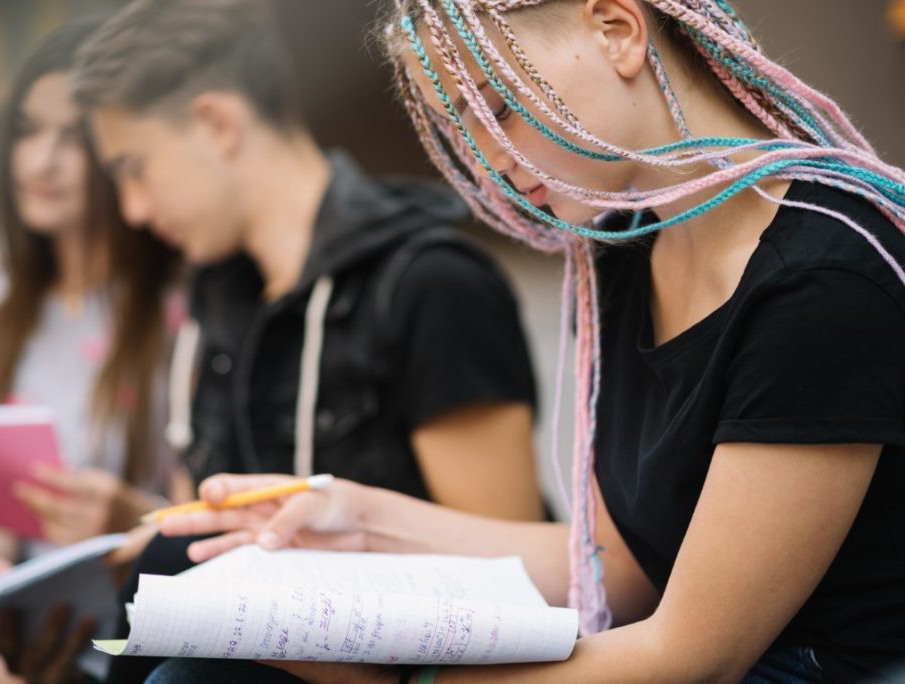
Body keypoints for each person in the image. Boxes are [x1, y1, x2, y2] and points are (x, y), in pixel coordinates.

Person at [152, 0, 905, 682]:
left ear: (617, 31)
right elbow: (615, 571)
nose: (485, 160)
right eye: (458, 126)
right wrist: (353, 519)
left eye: (500, 109)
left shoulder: (825, 278)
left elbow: (693, 657)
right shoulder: (623, 241)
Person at [71, 0, 548, 679]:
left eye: (134, 168)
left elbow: (513, 593)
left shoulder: (428, 284)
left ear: (216, 123)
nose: (134, 211)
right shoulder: (217, 294)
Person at [0, 19, 183, 684]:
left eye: (72, 137)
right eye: (26, 131)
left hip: (116, 615)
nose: (40, 161)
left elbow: (197, 515)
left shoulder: (175, 308)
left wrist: (134, 514)